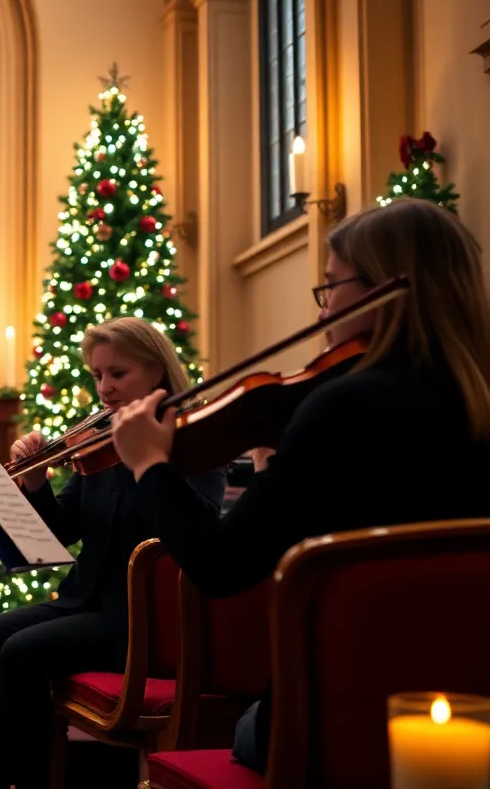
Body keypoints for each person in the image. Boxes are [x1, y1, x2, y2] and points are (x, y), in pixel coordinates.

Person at [109, 198, 490, 771]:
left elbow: (221, 565)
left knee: (246, 726)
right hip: (471, 705)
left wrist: (149, 467)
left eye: (331, 287)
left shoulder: (342, 405)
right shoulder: (472, 400)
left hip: (342, 712)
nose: (321, 312)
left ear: (385, 286)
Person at [0, 317, 227, 788]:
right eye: (98, 375)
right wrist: (35, 482)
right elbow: (62, 530)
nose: (105, 389)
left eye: (118, 374)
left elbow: (192, 528)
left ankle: (33, 781)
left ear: (157, 372)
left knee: (20, 653)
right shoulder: (98, 441)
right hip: (85, 602)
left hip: (143, 620)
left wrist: (140, 459)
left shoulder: (191, 439)